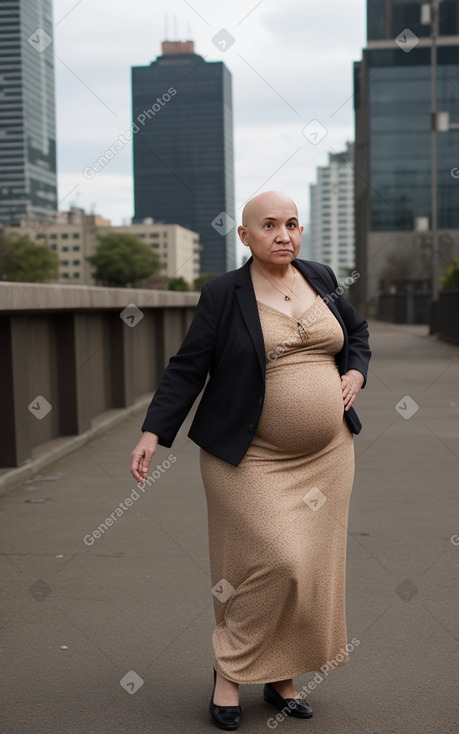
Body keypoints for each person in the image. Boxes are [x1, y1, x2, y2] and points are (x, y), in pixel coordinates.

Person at [131, 190, 371, 730]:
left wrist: (354, 372)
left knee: (306, 570)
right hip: (248, 456)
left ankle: (280, 676)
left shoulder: (323, 278)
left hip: (329, 456)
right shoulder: (223, 294)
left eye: (292, 224)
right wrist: (153, 432)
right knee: (271, 560)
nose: (284, 235)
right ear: (245, 236)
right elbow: (188, 368)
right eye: (269, 226)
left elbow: (355, 334)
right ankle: (229, 671)